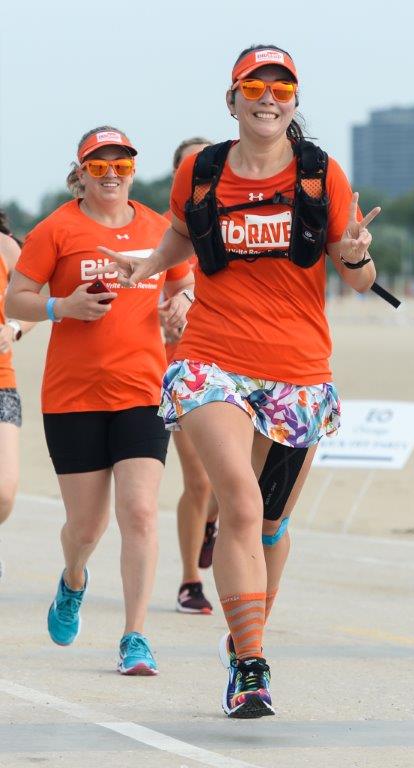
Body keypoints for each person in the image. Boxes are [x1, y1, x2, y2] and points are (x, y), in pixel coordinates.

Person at [97, 46, 380, 717]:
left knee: (273, 527)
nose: (268, 96)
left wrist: (360, 254)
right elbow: (180, 239)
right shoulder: (202, 171)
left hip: (298, 373)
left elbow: (358, 278)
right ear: (232, 100)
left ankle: (241, 636)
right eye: (254, 84)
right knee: (240, 506)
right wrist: (147, 269)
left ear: (293, 101)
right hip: (211, 362)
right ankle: (252, 667)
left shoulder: (321, 175)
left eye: (282, 86)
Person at [5, 126, 194, 674]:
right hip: (74, 396)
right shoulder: (56, 229)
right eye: (99, 166)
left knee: (138, 512)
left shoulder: (159, 227)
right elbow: (16, 296)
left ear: (134, 169)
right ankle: (73, 578)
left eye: (122, 165)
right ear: (81, 172)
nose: (112, 175)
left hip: (142, 389)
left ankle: (135, 636)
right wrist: (62, 308)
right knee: (86, 527)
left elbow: (182, 284)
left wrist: (179, 307)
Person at [160, 137, 219, 615]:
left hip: (234, 367)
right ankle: (189, 580)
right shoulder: (164, 234)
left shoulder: (237, 225)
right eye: (193, 168)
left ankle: (212, 525)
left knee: (233, 482)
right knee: (198, 479)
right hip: (176, 367)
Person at [0, 211, 35, 579]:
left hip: (1, 380)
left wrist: (12, 328)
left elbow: (33, 303)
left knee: (4, 492)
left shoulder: (6, 248)